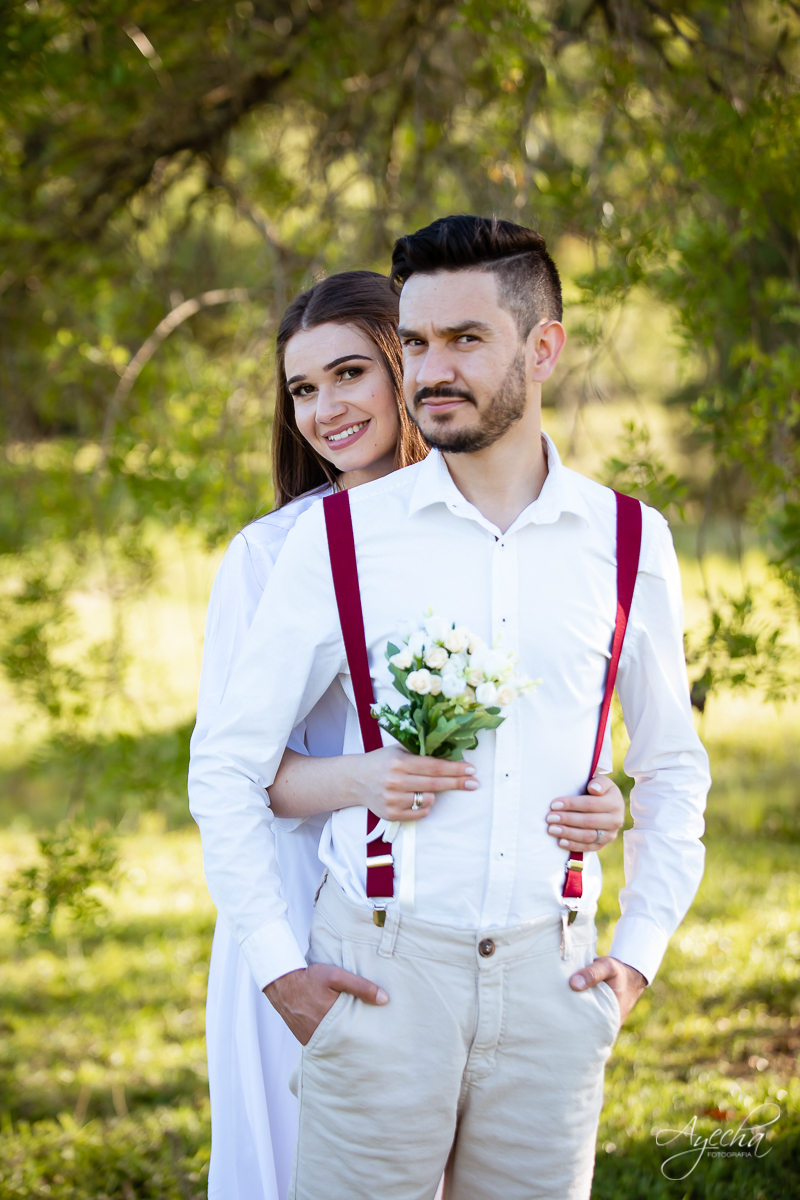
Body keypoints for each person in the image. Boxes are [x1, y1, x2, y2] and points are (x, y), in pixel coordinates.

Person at [187, 224, 692, 1199]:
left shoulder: (587, 537)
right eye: (302, 389)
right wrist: (282, 960)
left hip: (531, 958)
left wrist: (611, 841)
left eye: (352, 372)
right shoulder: (298, 549)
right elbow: (231, 764)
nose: (328, 407)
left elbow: (624, 747)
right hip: (332, 918)